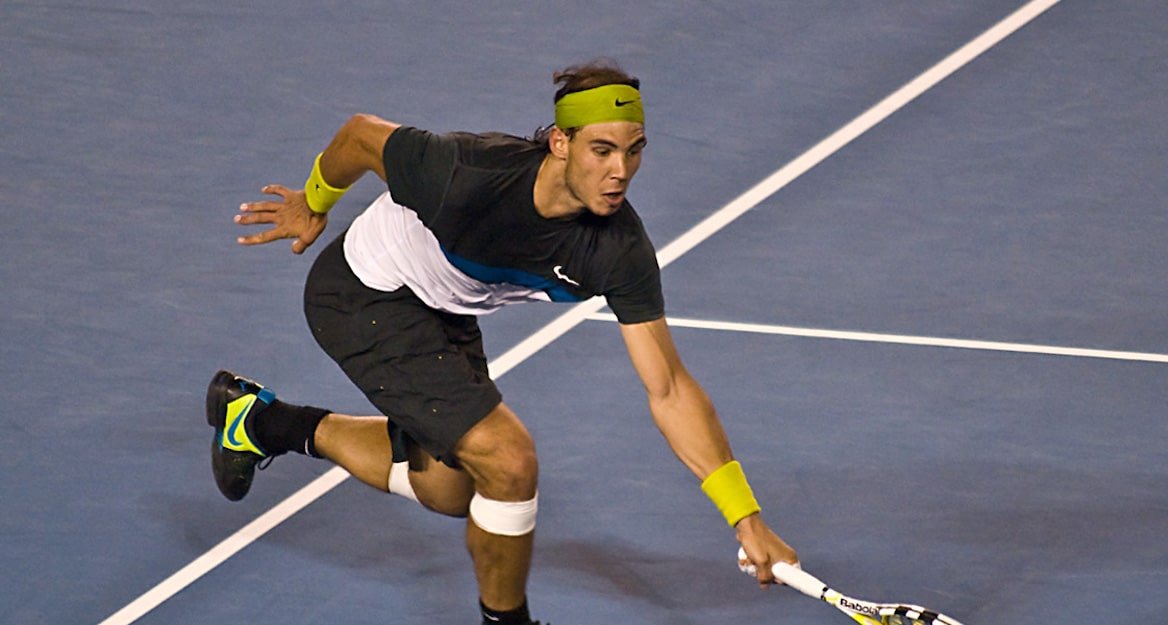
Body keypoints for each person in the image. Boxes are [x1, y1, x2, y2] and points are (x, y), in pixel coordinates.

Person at [209, 59, 797, 625]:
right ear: (560, 144)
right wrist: (313, 203)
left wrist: (744, 517)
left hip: (446, 311)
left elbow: (668, 388)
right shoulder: (465, 174)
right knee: (509, 460)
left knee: (448, 489)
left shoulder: (619, 250)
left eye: (634, 149)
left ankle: (261, 422)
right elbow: (360, 137)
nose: (621, 169)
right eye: (602, 149)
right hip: (365, 294)